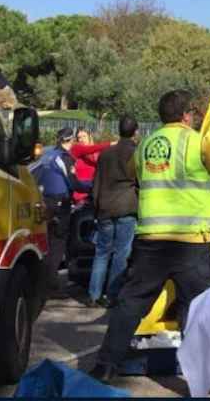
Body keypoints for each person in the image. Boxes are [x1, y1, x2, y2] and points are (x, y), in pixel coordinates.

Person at [90, 90, 210, 382]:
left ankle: (105, 366)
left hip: (151, 241)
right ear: (186, 115)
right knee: (196, 309)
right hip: (190, 243)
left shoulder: (145, 146)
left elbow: (134, 172)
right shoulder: (198, 143)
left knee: (131, 303)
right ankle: (205, 377)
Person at [86, 117, 140, 308]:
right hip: (127, 207)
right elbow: (140, 183)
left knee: (101, 252)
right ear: (136, 132)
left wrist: (96, 206)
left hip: (105, 208)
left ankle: (93, 295)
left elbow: (96, 183)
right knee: (121, 253)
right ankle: (112, 294)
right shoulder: (136, 154)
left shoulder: (106, 154)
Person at [34, 128, 93, 293]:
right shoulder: (65, 158)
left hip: (45, 201)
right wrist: (93, 186)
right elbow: (73, 183)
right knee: (58, 244)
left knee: (47, 244)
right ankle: (51, 285)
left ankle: (42, 282)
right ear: (70, 140)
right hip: (61, 203)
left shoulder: (47, 155)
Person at [71, 127, 110, 206]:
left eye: (84, 136)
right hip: (79, 197)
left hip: (94, 195)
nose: (81, 139)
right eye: (79, 137)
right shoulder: (76, 150)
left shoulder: (97, 152)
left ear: (89, 136)